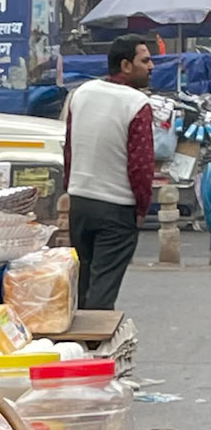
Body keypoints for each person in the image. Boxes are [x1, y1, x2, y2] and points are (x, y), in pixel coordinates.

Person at [65, 35, 155, 311]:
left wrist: (69, 189)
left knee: (82, 285)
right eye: (145, 60)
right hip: (116, 209)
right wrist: (141, 209)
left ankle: (77, 349)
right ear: (126, 65)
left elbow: (69, 150)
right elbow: (141, 165)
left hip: (80, 202)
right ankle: (94, 350)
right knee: (103, 290)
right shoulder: (137, 103)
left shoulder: (81, 93)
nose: (151, 66)